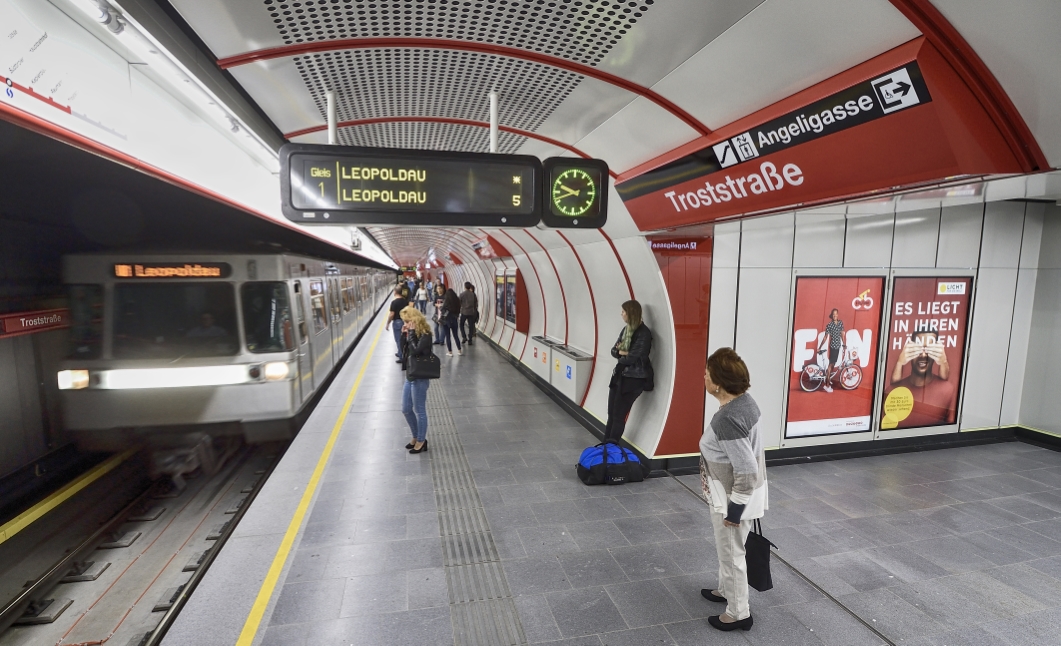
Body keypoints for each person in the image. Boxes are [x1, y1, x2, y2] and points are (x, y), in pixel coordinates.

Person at [699, 347, 767, 633]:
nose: (703, 377)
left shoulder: (727, 419)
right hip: (737, 494)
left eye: (706, 373)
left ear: (718, 383)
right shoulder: (743, 403)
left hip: (731, 500)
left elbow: (746, 470)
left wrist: (734, 511)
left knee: (731, 553)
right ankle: (727, 590)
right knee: (730, 549)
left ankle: (739, 613)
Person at [604, 300, 653, 442]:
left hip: (633, 380)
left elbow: (631, 359)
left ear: (631, 313)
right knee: (611, 413)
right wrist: (622, 352)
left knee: (619, 415)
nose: (621, 314)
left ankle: (611, 447)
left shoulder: (644, 334)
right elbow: (614, 351)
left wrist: (623, 353)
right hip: (620, 376)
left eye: (623, 312)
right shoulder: (626, 330)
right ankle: (605, 446)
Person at [887, 328, 955, 426]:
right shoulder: (891, 391)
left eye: (929, 349)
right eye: (918, 349)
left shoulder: (948, 390)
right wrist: (899, 362)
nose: (923, 354)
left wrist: (943, 362)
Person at [400, 306, 433, 454]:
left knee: (420, 410)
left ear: (414, 320)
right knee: (406, 409)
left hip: (419, 378)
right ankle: (415, 436)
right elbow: (405, 353)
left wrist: (411, 333)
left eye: (407, 321)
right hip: (410, 376)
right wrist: (404, 336)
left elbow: (416, 350)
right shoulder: (410, 333)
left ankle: (421, 440)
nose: (405, 324)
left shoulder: (425, 335)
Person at [817, 308, 844, 393]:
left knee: (832, 365)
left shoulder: (840, 323)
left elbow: (842, 334)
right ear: (832, 316)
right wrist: (820, 347)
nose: (835, 315)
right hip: (833, 347)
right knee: (831, 365)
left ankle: (828, 380)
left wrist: (844, 344)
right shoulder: (829, 325)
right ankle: (827, 385)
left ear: (838, 314)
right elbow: (825, 337)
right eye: (833, 314)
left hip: (838, 347)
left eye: (836, 314)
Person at [386, 287, 409, 364]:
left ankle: (402, 357)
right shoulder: (405, 301)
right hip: (405, 321)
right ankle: (400, 352)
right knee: (404, 339)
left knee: (398, 340)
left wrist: (388, 323)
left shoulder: (394, 302)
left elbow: (392, 314)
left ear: (395, 292)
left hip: (397, 322)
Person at [441, 287, 463, 356]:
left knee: (448, 336)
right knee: (456, 335)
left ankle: (450, 352)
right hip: (454, 320)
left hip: (446, 320)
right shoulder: (457, 301)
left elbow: (442, 309)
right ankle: (459, 350)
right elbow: (459, 311)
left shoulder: (446, 301)